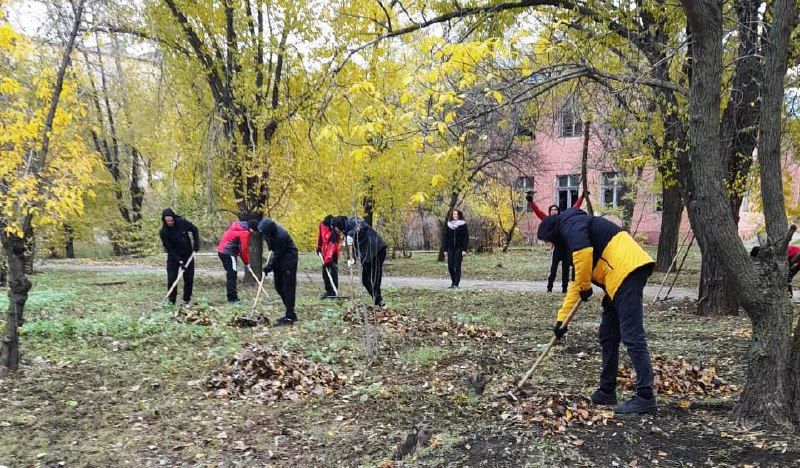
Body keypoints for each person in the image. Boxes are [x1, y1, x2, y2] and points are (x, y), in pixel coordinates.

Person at [537, 207, 657, 414]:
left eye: (548, 242)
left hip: (626, 271)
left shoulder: (570, 224)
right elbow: (578, 281)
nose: (550, 247)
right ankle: (607, 390)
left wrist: (585, 286)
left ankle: (645, 396)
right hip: (617, 277)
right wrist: (561, 322)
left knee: (632, 335)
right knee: (608, 335)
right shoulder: (574, 231)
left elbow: (583, 255)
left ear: (552, 234)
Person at [527, 190, 587, 293]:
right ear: (550, 212)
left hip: (565, 248)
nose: (554, 211)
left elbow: (575, 207)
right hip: (556, 249)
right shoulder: (547, 219)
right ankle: (549, 288)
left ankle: (564, 289)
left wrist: (582, 197)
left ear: (558, 211)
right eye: (552, 210)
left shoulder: (563, 219)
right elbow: (537, 211)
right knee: (553, 269)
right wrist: (531, 202)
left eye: (555, 209)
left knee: (565, 270)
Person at [252, 218, 298, 326]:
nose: (262, 235)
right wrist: (271, 265)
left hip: (288, 260)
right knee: (278, 286)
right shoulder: (268, 233)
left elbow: (278, 254)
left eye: (263, 233)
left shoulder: (281, 236)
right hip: (279, 259)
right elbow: (273, 250)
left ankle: (290, 316)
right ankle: (289, 312)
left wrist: (269, 267)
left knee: (288, 288)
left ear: (269, 230)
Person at [333, 216, 388, 307]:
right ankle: (378, 302)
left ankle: (379, 303)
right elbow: (354, 246)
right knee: (365, 280)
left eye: (336, 228)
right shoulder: (347, 231)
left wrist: (351, 233)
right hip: (367, 254)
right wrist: (352, 259)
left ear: (339, 225)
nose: (337, 231)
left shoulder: (353, 221)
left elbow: (361, 227)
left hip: (376, 250)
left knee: (374, 278)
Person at [159, 208, 200, 306]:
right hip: (173, 257)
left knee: (189, 278)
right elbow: (169, 249)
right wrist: (180, 261)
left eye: (171, 220)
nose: (170, 222)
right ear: (164, 220)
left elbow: (195, 229)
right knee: (172, 278)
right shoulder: (163, 232)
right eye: (167, 221)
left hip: (187, 255)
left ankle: (186, 300)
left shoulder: (183, 223)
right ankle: (171, 302)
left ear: (173, 217)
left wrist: (196, 245)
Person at [217, 220, 252, 304]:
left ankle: (231, 296)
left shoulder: (236, 227)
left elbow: (237, 245)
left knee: (231, 273)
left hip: (221, 251)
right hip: (228, 253)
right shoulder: (244, 233)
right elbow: (244, 249)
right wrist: (247, 263)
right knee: (232, 274)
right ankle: (232, 298)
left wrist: (239, 253)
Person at [316, 215, 341, 299]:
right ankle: (328, 291)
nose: (328, 227)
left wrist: (328, 260)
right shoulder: (322, 225)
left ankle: (334, 293)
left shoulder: (335, 231)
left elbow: (332, 246)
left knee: (333, 272)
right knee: (325, 273)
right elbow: (320, 237)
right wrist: (318, 247)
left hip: (333, 253)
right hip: (324, 252)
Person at [443, 210, 469, 289]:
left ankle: (456, 284)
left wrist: (464, 249)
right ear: (452, 215)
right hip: (450, 248)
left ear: (459, 215)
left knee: (457, 266)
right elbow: (446, 238)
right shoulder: (448, 224)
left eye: (457, 214)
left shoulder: (463, 224)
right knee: (450, 266)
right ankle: (453, 282)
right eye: (454, 214)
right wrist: (445, 250)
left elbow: (466, 237)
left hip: (459, 248)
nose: (455, 215)